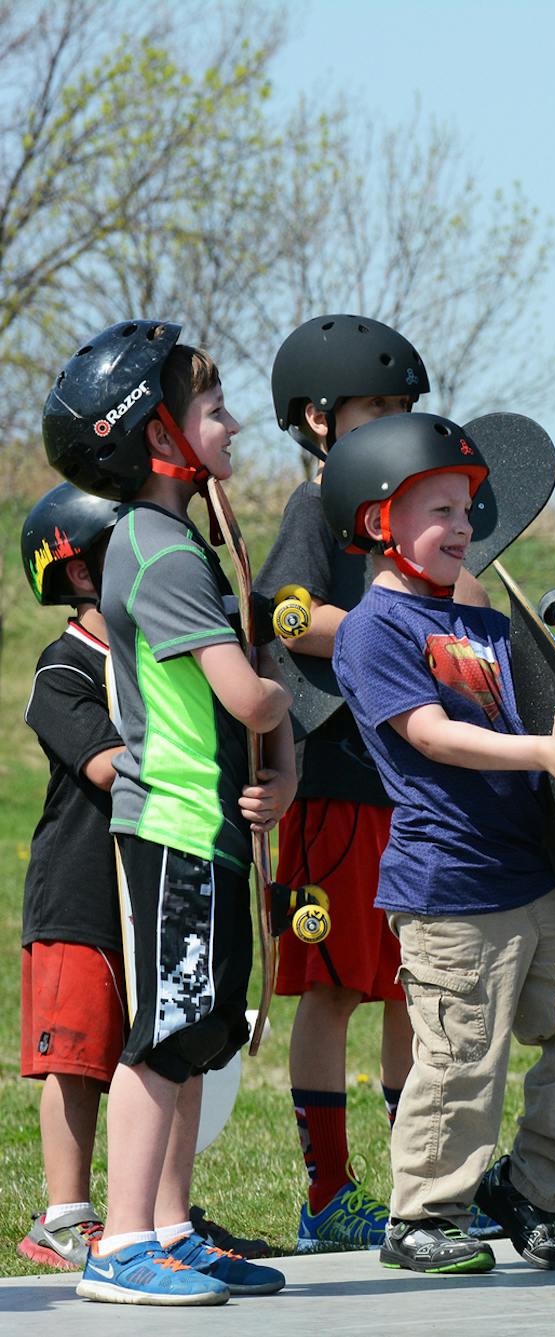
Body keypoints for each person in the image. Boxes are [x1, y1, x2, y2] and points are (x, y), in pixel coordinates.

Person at [326, 412, 555, 1275]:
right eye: (439, 511)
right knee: (462, 1056)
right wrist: (539, 752)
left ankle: (530, 1188)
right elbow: (429, 733)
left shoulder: (483, 624)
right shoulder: (374, 628)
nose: (463, 527)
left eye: (466, 509)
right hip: (448, 880)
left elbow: (536, 723)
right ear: (380, 522)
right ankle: (421, 1215)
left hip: (528, 872)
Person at [44, 321, 294, 1305]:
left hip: (208, 827)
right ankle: (123, 1242)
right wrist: (282, 690)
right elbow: (245, 696)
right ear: (158, 436)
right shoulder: (160, 550)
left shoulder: (166, 540)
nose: (232, 424)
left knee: (203, 1032)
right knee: (166, 1033)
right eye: (214, 407)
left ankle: (174, 1228)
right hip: (178, 829)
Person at [258, 315, 442, 1252]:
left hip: (406, 784)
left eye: (405, 407)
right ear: (321, 419)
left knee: (410, 983)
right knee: (332, 987)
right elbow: (289, 616)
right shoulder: (314, 507)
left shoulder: (404, 516)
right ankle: (327, 1194)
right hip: (332, 781)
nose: (394, 423)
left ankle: (423, 1189)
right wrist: (390, 630)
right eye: (376, 407)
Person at [15, 485, 129, 1271]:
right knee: (77, 1058)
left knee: (141, 1052)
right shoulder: (63, 666)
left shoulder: (156, 659)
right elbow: (104, 763)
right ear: (84, 573)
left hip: (143, 887)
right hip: (77, 893)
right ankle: (63, 1214)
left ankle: (140, 1210)